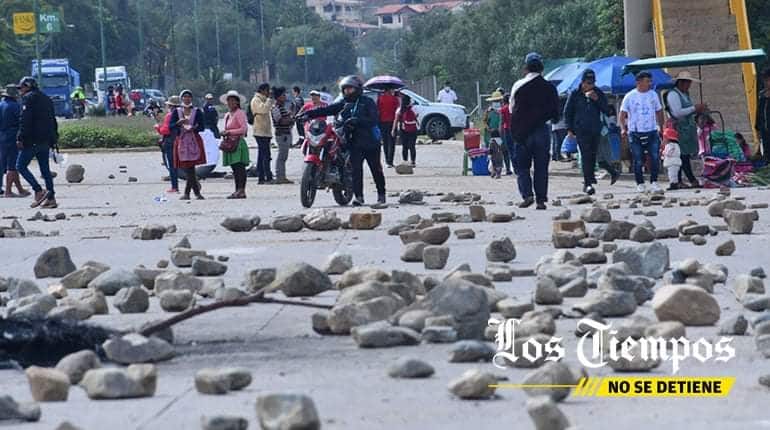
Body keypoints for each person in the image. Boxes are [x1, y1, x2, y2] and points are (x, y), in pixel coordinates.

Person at [302, 75, 386, 206]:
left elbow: (374, 119)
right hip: (353, 142)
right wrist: (309, 114)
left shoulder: (367, 102)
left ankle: (381, 195)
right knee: (356, 170)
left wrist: (358, 121)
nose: (347, 92)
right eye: (345, 89)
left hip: (370, 142)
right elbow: (327, 109)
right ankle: (359, 197)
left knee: (376, 169)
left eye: (350, 89)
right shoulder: (343, 103)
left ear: (358, 89)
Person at [509, 53, 560, 210]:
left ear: (525, 68)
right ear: (542, 69)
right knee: (541, 167)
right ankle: (541, 200)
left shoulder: (519, 85)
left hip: (523, 132)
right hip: (542, 131)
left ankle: (527, 195)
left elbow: (512, 109)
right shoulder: (550, 87)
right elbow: (556, 112)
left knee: (522, 167)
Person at [564, 68, 619, 195]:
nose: (590, 86)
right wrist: (569, 129)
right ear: (582, 82)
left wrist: (597, 100)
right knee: (585, 155)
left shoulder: (598, 93)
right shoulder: (575, 94)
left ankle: (598, 177)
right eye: (588, 83)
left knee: (593, 156)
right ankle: (588, 184)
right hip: (580, 130)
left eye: (592, 83)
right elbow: (568, 112)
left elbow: (607, 110)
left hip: (595, 129)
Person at [15, 77, 58, 208]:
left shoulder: (28, 98)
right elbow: (53, 120)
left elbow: (25, 120)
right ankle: (51, 198)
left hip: (32, 139)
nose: (20, 90)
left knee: (20, 166)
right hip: (45, 140)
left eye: (21, 87)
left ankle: (38, 190)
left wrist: (20, 137)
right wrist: (54, 138)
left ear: (27, 86)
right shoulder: (46, 98)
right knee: (45, 170)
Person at [619, 70, 665, 193]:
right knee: (638, 158)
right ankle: (640, 183)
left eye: (650, 81)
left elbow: (659, 111)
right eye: (646, 81)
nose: (649, 83)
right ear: (638, 82)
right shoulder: (629, 96)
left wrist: (662, 127)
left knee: (655, 157)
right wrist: (623, 128)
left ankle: (654, 181)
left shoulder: (653, 95)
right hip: (635, 132)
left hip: (651, 130)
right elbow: (622, 114)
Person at [665, 71, 706, 188]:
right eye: (687, 83)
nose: (689, 86)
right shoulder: (673, 95)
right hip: (679, 128)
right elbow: (677, 112)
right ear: (681, 83)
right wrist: (694, 108)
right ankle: (683, 180)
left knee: (685, 154)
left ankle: (684, 180)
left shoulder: (685, 94)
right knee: (680, 155)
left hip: (687, 128)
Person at [170, 89, 206, 200]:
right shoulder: (177, 112)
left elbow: (202, 126)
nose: (187, 98)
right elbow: (171, 126)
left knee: (191, 167)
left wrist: (195, 127)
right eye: (185, 96)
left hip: (193, 140)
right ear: (182, 98)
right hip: (182, 140)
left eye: (188, 96)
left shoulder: (197, 111)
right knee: (188, 168)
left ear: (191, 98)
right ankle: (195, 192)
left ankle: (189, 193)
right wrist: (178, 123)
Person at [220, 90, 250, 199]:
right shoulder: (228, 115)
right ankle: (238, 190)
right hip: (231, 143)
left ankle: (241, 190)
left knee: (239, 168)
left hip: (238, 143)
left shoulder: (239, 113)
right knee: (235, 168)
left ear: (237, 102)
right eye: (229, 101)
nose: (230, 103)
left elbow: (244, 129)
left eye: (233, 101)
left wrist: (229, 132)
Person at [0, 85, 29, 198]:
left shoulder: (1, 105)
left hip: (1, 136)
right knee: (12, 165)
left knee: (3, 163)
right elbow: (22, 122)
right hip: (12, 137)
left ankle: (19, 189)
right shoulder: (15, 106)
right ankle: (8, 191)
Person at [155, 96, 181, 193]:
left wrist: (158, 127)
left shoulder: (170, 115)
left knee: (172, 165)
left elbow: (165, 130)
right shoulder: (181, 114)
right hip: (179, 140)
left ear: (170, 106)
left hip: (170, 141)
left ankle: (174, 186)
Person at [250, 83, 275, 184]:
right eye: (267, 90)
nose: (268, 93)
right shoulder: (256, 100)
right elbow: (263, 109)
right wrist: (269, 100)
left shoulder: (264, 99)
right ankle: (266, 176)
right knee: (265, 155)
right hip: (260, 131)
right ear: (263, 90)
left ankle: (262, 177)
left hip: (265, 131)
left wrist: (270, 100)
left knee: (262, 155)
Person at [271, 87, 295, 184]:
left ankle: (282, 176)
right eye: (283, 95)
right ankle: (280, 176)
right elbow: (280, 121)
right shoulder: (276, 108)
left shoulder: (282, 107)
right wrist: (291, 119)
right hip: (282, 134)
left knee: (283, 156)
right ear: (278, 97)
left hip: (285, 133)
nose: (285, 97)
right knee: (282, 157)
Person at [392, 93, 418, 166]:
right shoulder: (413, 108)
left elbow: (396, 120)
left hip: (403, 130)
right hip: (413, 129)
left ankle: (405, 161)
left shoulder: (399, 110)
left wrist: (393, 130)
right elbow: (417, 116)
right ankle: (413, 161)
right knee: (412, 146)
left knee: (405, 146)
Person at [483, 91, 504, 178]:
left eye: (498, 101)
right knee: (491, 154)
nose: (496, 103)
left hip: (500, 135)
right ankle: (493, 170)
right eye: (495, 101)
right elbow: (484, 121)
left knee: (499, 153)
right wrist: (488, 128)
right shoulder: (488, 111)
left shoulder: (503, 110)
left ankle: (499, 171)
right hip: (490, 135)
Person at [377, 88, 399, 167]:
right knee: (392, 142)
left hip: (382, 122)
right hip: (392, 122)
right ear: (390, 90)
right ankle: (390, 161)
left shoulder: (380, 99)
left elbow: (378, 111)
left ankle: (387, 160)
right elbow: (397, 111)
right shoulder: (395, 99)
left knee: (385, 142)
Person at [757, 68, 770, 162]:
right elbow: (759, 112)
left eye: (767, 80)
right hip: (764, 131)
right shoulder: (762, 95)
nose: (766, 82)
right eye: (764, 80)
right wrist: (757, 127)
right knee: (767, 154)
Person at [499, 94, 514, 175]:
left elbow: (501, 122)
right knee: (514, 149)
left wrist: (500, 133)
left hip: (506, 131)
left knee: (506, 150)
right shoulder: (514, 108)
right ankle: (516, 167)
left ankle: (508, 169)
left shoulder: (503, 109)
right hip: (515, 130)